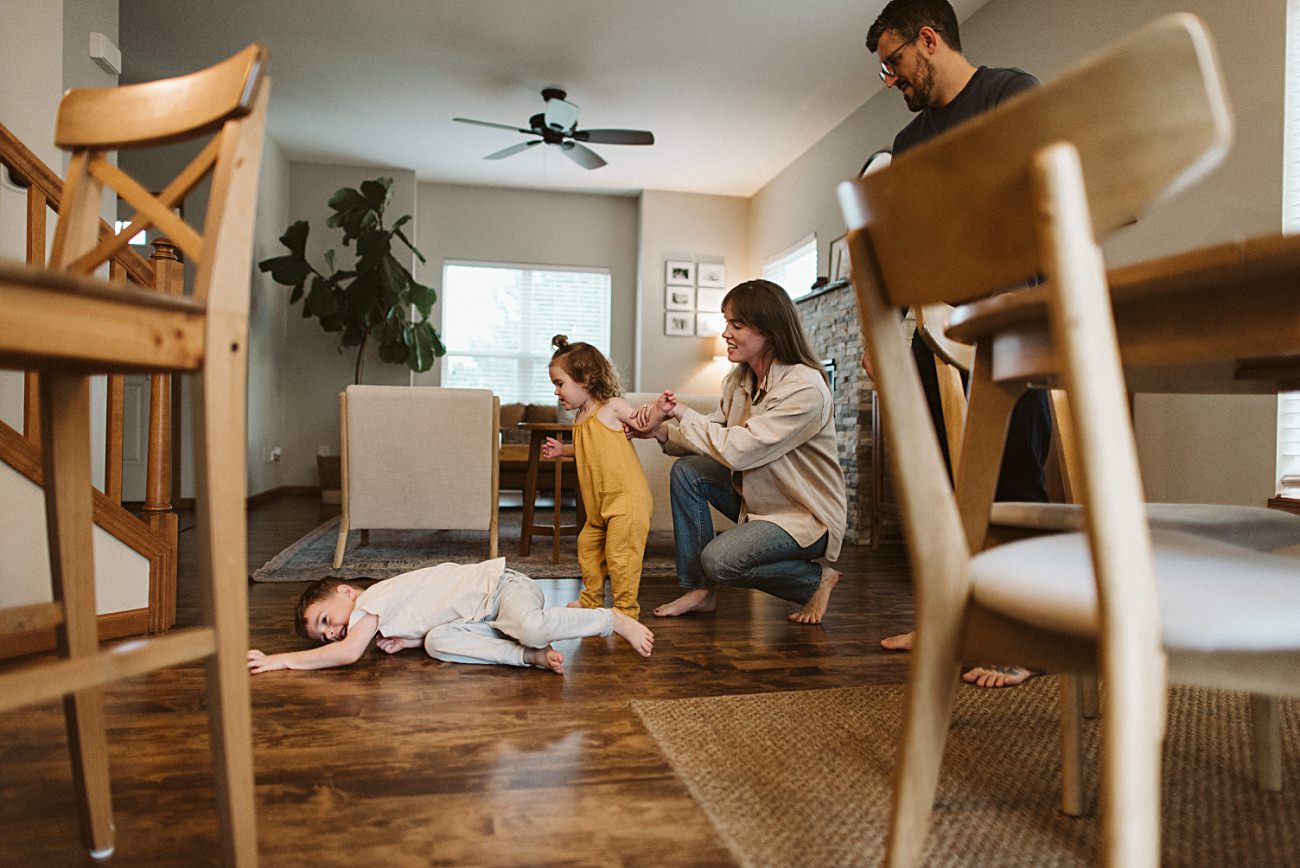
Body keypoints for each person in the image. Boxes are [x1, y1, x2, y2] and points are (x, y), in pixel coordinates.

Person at [866, 0, 1053, 687]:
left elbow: (1036, 201)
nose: (890, 77)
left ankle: (1021, 636)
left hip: (1015, 324)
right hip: (935, 334)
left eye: (894, 61)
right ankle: (951, 616)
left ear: (929, 38)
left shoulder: (1010, 93)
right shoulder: (911, 143)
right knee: (940, 487)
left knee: (1011, 484)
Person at [627, 279, 848, 624]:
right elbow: (715, 433)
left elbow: (739, 451)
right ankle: (699, 591)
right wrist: (659, 431)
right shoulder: (740, 379)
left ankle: (815, 581)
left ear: (770, 331)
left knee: (721, 561)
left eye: (737, 325)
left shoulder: (804, 388)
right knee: (689, 471)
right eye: (726, 321)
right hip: (762, 498)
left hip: (804, 514)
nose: (725, 333)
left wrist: (681, 411)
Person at [246, 557, 655, 676]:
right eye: (323, 636)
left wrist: (282, 660)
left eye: (325, 620)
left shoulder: (370, 603)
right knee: (436, 642)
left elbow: (350, 653)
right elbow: (431, 606)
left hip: (503, 588)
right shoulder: (383, 610)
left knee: (530, 627)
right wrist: (407, 639)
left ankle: (611, 619)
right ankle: (527, 657)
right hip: (482, 617)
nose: (332, 633)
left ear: (345, 592)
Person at [541, 335, 661, 619]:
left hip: (626, 501)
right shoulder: (579, 418)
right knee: (588, 548)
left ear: (585, 379)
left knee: (622, 558)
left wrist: (660, 411)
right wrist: (563, 450)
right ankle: (591, 598)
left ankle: (625, 610)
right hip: (598, 507)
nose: (556, 392)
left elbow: (643, 423)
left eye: (560, 384)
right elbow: (588, 448)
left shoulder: (612, 407)